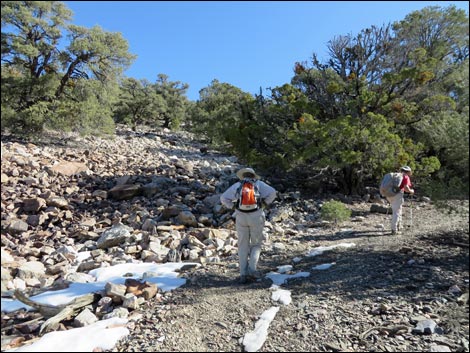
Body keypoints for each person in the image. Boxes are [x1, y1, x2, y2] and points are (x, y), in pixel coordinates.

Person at [220, 167, 277, 284]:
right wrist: (264, 204)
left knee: (242, 245)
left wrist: (233, 207)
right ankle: (252, 271)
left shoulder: (237, 186)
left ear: (243, 176)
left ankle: (243, 274)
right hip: (256, 216)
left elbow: (223, 198)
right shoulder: (259, 184)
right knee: (256, 244)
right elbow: (273, 192)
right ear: (253, 175)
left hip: (241, 216)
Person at [386, 166, 414, 235]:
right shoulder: (405, 176)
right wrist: (411, 191)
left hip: (389, 194)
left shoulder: (395, 176)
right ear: (408, 171)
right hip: (397, 195)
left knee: (398, 209)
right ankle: (394, 230)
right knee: (396, 212)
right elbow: (406, 188)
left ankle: (399, 226)